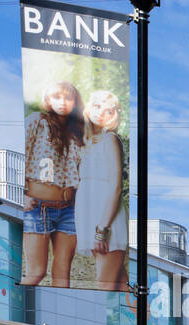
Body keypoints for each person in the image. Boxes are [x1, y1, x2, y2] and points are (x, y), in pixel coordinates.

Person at [22, 81, 84, 288]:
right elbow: (24, 153)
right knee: (37, 272)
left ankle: (60, 321)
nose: (62, 102)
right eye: (57, 97)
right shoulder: (37, 121)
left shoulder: (78, 132)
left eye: (68, 97)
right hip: (38, 206)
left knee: (63, 274)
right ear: (47, 100)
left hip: (69, 209)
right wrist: (24, 193)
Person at [75, 90, 128, 291]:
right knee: (119, 285)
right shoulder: (90, 142)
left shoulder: (109, 139)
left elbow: (115, 186)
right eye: (97, 106)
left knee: (104, 286)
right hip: (93, 215)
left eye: (108, 110)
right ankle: (149, 320)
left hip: (106, 221)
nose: (100, 113)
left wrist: (101, 231)